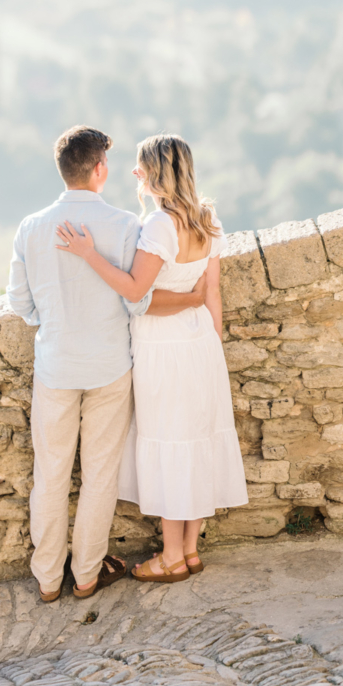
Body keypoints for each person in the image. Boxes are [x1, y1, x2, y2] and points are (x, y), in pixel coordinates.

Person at [7, 125, 207, 602]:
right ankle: (88, 575)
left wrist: (52, 319)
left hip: (56, 366)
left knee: (50, 474)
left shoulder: (31, 227)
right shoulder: (124, 225)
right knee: (99, 476)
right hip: (109, 367)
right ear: (99, 169)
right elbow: (137, 301)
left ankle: (49, 577)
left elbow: (21, 304)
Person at [56, 132, 247, 583]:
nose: (134, 173)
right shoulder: (208, 218)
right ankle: (192, 550)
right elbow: (211, 293)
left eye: (140, 166)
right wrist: (211, 345)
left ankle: (172, 557)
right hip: (201, 343)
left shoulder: (159, 226)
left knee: (169, 444)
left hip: (163, 348)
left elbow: (136, 293)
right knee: (198, 440)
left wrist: (88, 255)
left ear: (155, 171)